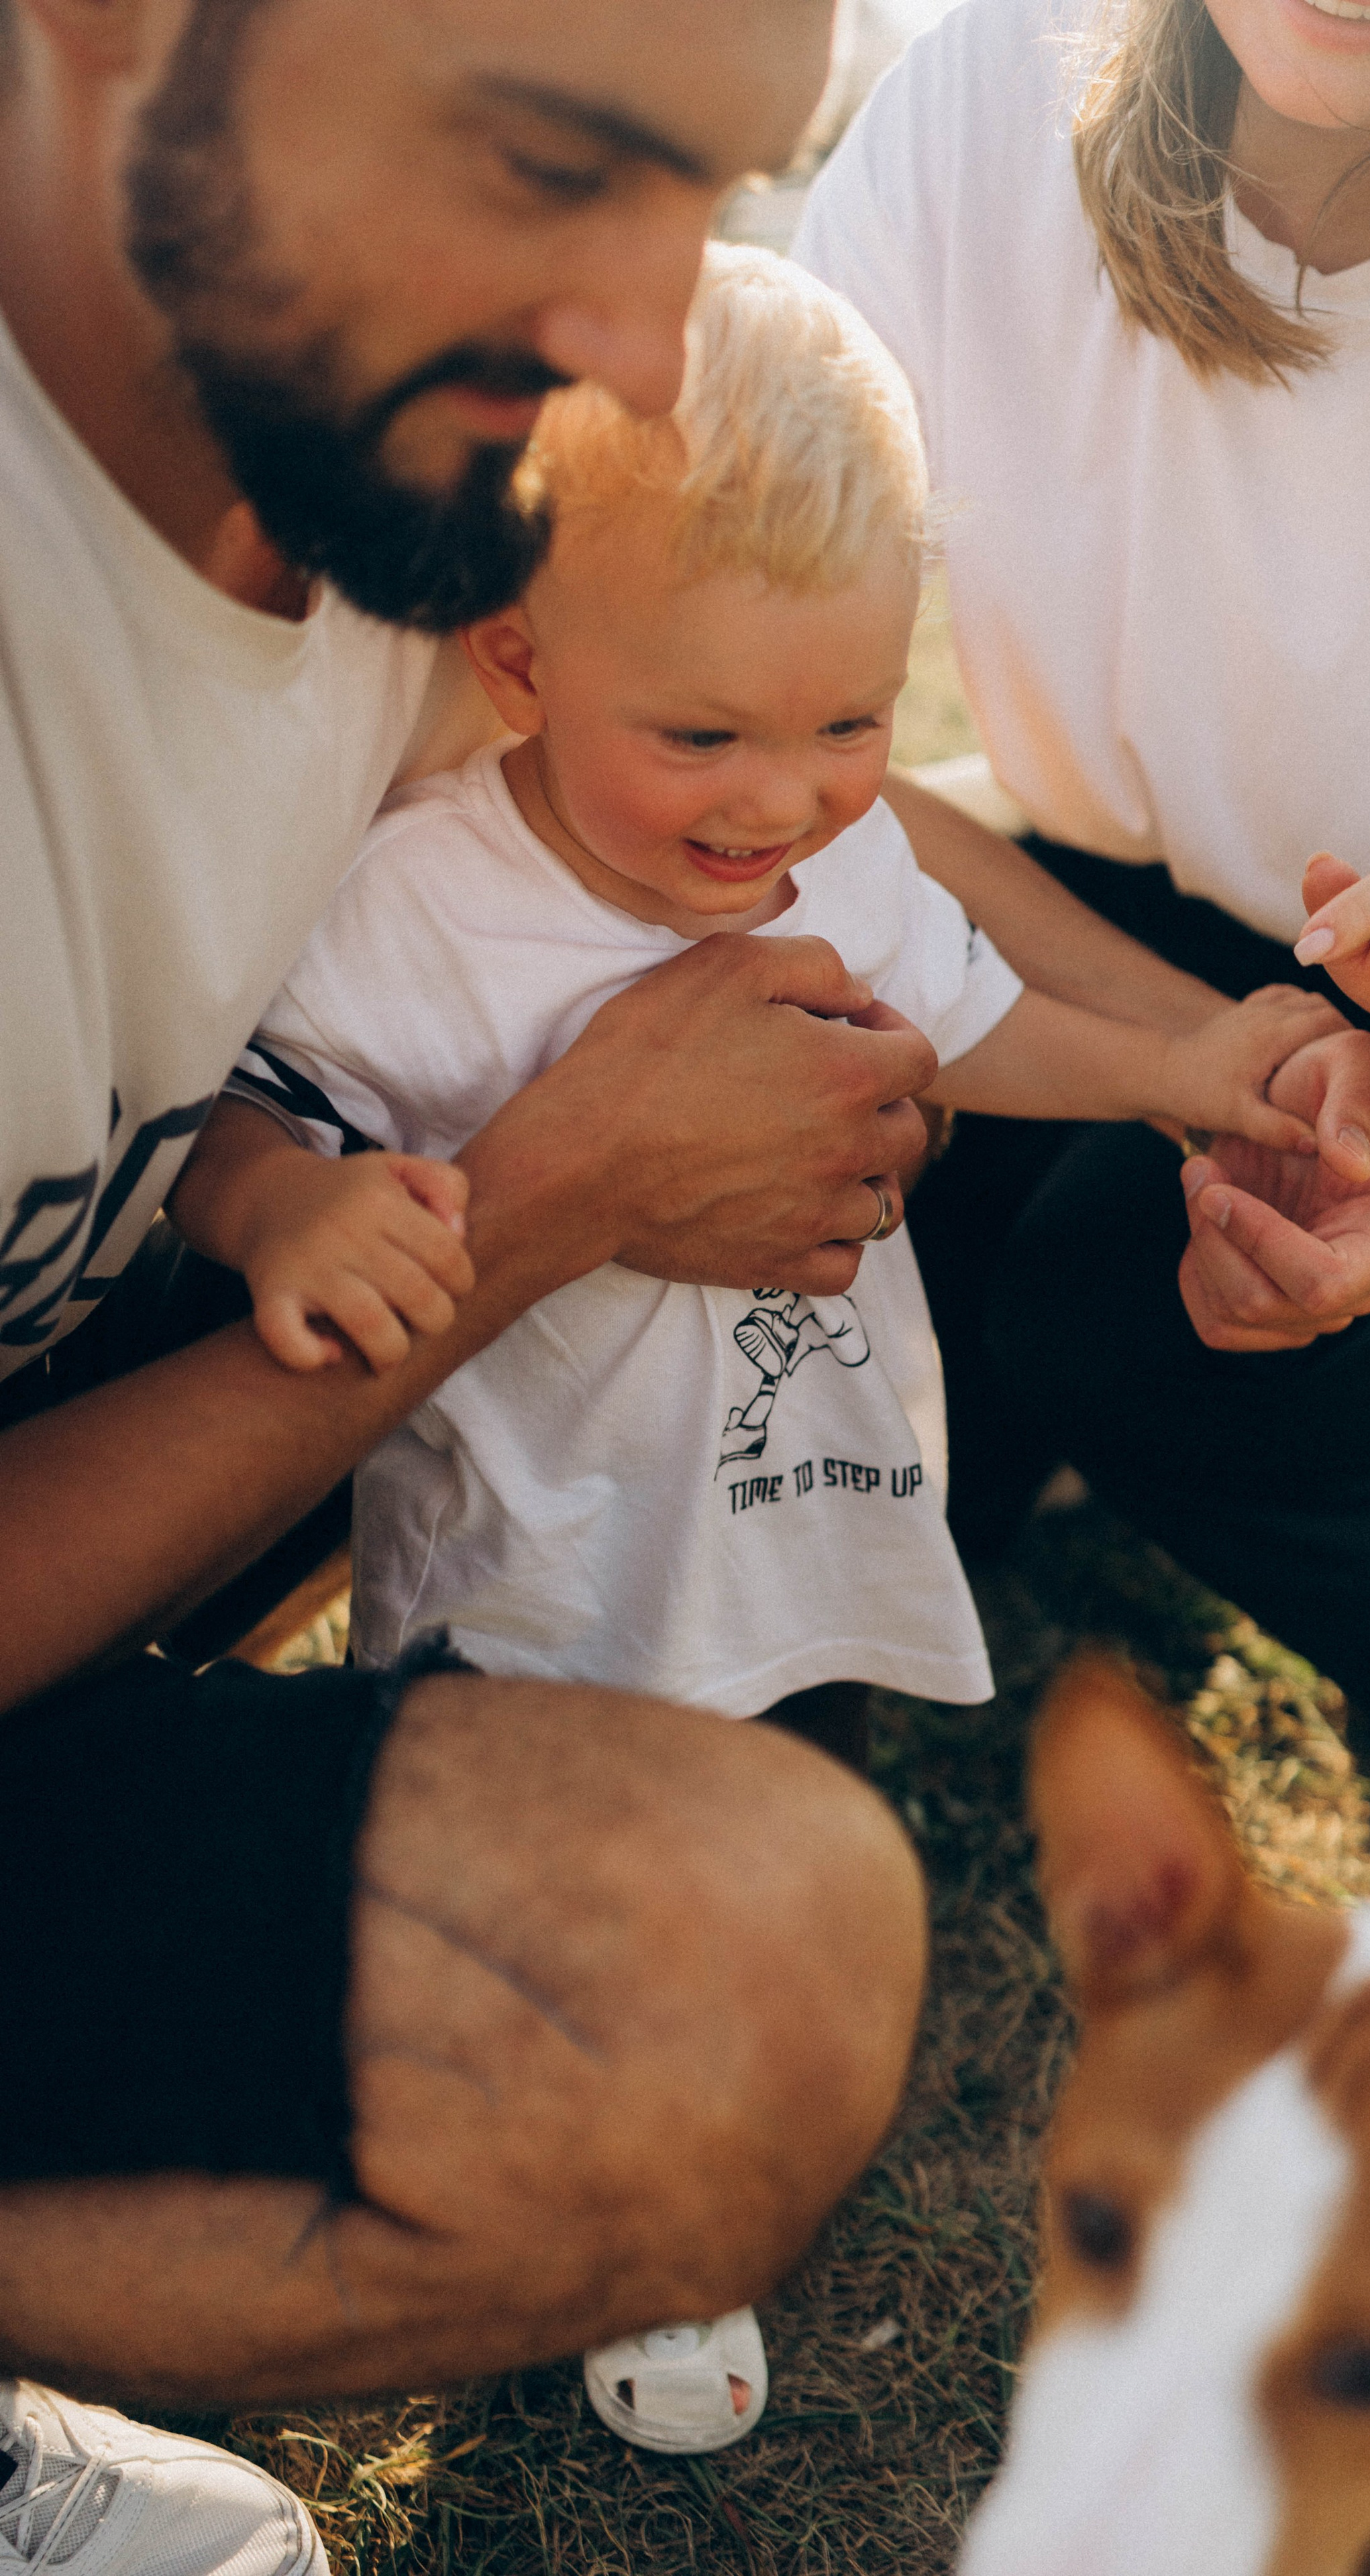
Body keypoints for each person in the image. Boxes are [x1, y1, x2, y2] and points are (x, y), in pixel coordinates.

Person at [0, 0, 941, 2560]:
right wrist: (553, 1202)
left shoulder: (390, 517)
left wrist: (1228, 1060)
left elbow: (826, 808)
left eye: (715, 210)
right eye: (551, 164)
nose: (641, 352)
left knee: (745, 1969)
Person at [172, 244, 1370, 1762]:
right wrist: (278, 1205)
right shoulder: (422, 894)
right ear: (518, 662)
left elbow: (970, 1022)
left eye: (849, 724)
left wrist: (1179, 1068)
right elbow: (235, 1106)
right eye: (700, 733)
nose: (780, 799)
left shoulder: (850, 858)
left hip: (806, 1544)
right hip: (531, 1598)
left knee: (797, 1840)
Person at [798, 0, 1370, 1741]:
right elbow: (758, 747)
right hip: (1120, 887)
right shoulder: (992, 90)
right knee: (875, 1295)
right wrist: (1192, 1059)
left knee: (1128, 1313)